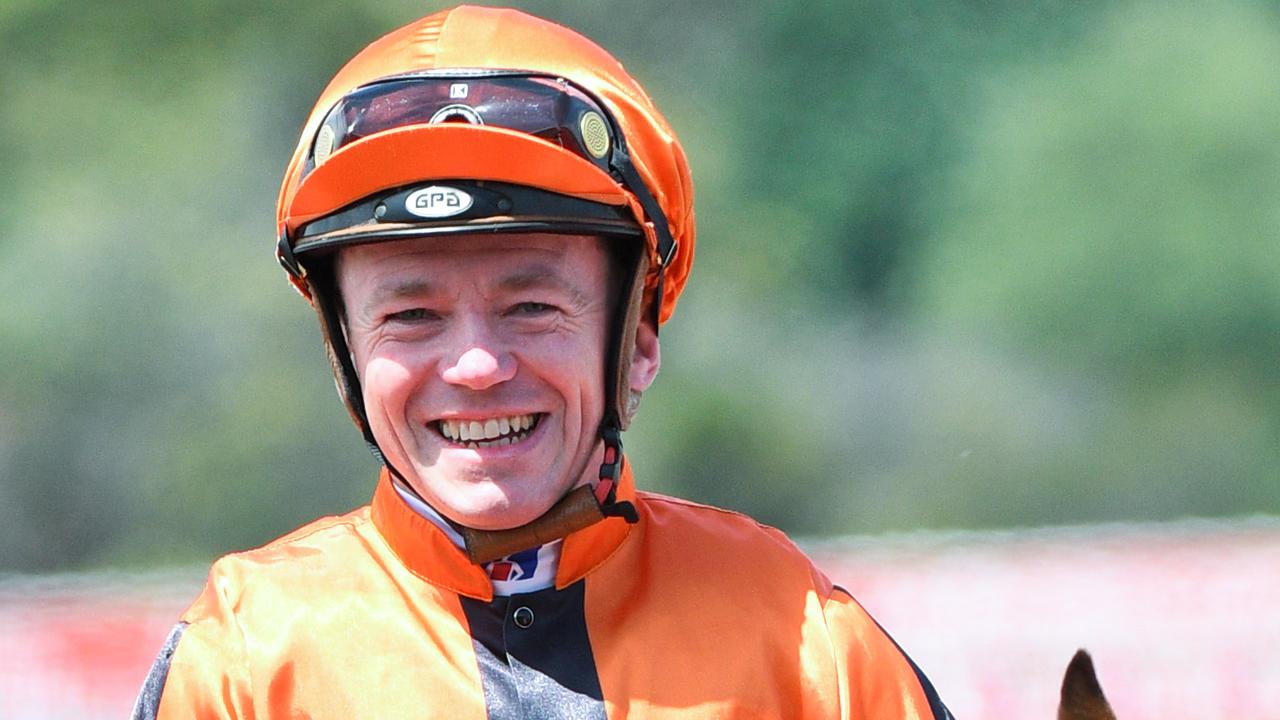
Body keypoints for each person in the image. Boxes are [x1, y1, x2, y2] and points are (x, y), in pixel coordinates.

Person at [133, 6, 952, 719]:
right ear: (346, 348)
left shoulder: (806, 644)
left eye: (533, 306)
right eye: (411, 315)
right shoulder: (242, 664)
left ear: (636, 338)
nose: (479, 365)